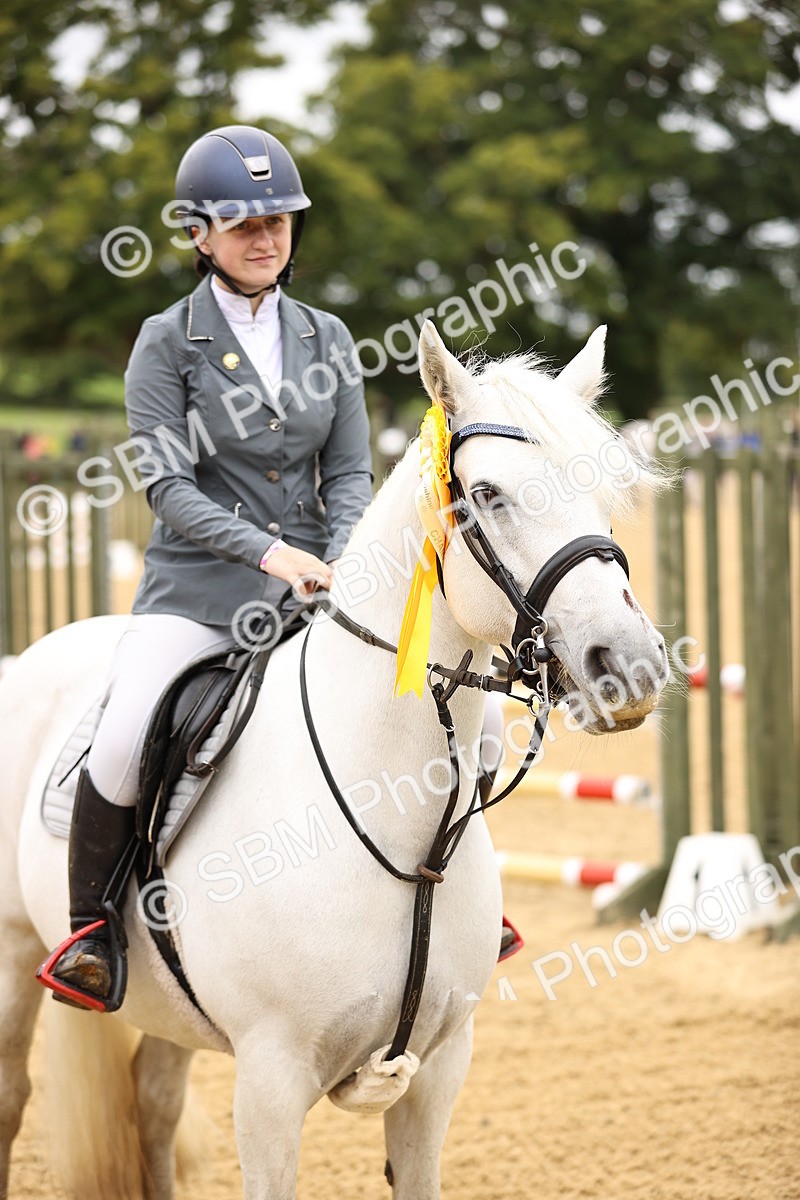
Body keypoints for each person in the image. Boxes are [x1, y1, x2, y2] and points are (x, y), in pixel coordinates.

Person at [39, 125, 374, 1008]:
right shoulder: (165, 341)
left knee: (426, 694)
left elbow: (348, 473)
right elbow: (167, 488)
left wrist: (337, 559)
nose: (266, 238)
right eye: (243, 225)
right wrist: (272, 553)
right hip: (195, 593)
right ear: (199, 234)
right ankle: (93, 934)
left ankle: (448, 899)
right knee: (121, 734)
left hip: (315, 588)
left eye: (279, 221)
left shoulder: (329, 337)